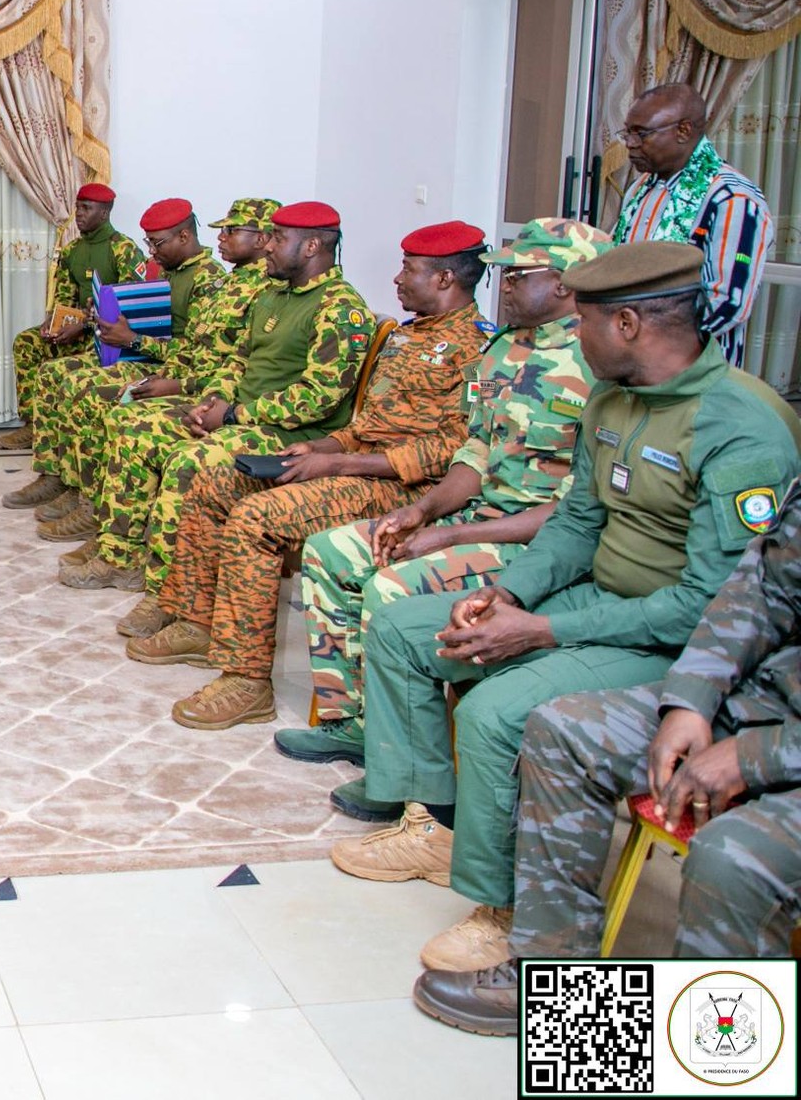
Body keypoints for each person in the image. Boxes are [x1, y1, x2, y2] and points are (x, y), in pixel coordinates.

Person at [329, 241, 801, 979]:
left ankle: (503, 908)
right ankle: (437, 827)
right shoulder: (615, 397)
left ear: (630, 325)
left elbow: (716, 608)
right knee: (403, 627)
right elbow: (578, 522)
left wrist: (544, 629)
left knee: (497, 711)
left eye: (583, 321)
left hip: (666, 633)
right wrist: (510, 595)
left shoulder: (740, 429)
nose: (572, 338)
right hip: (596, 596)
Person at [414, 479, 801, 1036]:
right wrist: (690, 701)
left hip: (777, 738)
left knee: (732, 858)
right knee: (564, 730)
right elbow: (759, 593)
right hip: (765, 697)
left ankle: (724, 1063)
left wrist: (758, 755)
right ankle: (551, 981)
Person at [131, 222, 493, 729]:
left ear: (444, 278)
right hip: (354, 465)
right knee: (214, 481)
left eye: (409, 269)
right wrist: (321, 448)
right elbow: (366, 427)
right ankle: (195, 619)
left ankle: (247, 680)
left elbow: (457, 448)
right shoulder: (410, 336)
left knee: (258, 516)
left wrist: (340, 463)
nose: (396, 278)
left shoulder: (479, 349)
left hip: (401, 489)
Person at [276, 218, 607, 767]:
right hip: (478, 518)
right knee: (332, 551)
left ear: (567, 283)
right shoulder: (506, 351)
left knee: (391, 587)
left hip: (537, 546)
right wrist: (422, 510)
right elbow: (475, 453)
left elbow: (576, 513)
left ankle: (402, 756)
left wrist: (451, 534)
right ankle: (351, 722)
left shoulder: (598, 368)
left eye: (520, 276)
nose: (504, 286)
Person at [64, 200, 370, 592]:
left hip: (291, 435)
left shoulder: (340, 308)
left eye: (278, 238)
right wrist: (211, 403)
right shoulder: (274, 296)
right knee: (131, 425)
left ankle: (170, 595)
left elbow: (316, 399)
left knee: (188, 461)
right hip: (240, 415)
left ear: (311, 247)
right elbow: (235, 361)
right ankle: (120, 555)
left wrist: (231, 415)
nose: (270, 247)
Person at [36, 198, 281, 548]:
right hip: (178, 371)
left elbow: (220, 360)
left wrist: (164, 368)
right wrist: (104, 315)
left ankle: (104, 518)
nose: (222, 238)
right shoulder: (229, 283)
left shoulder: (223, 283)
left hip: (199, 386)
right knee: (63, 376)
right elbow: (203, 350)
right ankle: (78, 492)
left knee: (100, 399)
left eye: (231, 230)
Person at [4, 196, 225, 513]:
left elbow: (195, 352)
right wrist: (103, 313)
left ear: (184, 236)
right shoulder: (170, 271)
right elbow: (150, 319)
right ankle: (56, 475)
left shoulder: (208, 281)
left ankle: (87, 498)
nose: (152, 252)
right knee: (53, 373)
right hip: (144, 355)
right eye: (149, 243)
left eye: (158, 243)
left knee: (85, 390)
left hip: (166, 367)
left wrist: (133, 339)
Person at [611, 82, 769, 365]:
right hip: (630, 361)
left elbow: (728, 302)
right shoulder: (641, 188)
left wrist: (648, 343)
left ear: (683, 131)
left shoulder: (732, 198)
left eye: (641, 133)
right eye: (628, 132)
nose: (630, 143)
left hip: (693, 373)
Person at [0, 182, 147, 450]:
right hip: (76, 329)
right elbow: (65, 298)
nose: (78, 213)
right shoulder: (72, 250)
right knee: (27, 342)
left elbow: (129, 306)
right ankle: (33, 424)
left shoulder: (123, 249)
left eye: (86, 208)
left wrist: (85, 325)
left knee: (69, 363)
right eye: (78, 207)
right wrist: (54, 323)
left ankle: (63, 430)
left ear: (104, 213)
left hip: (108, 336)